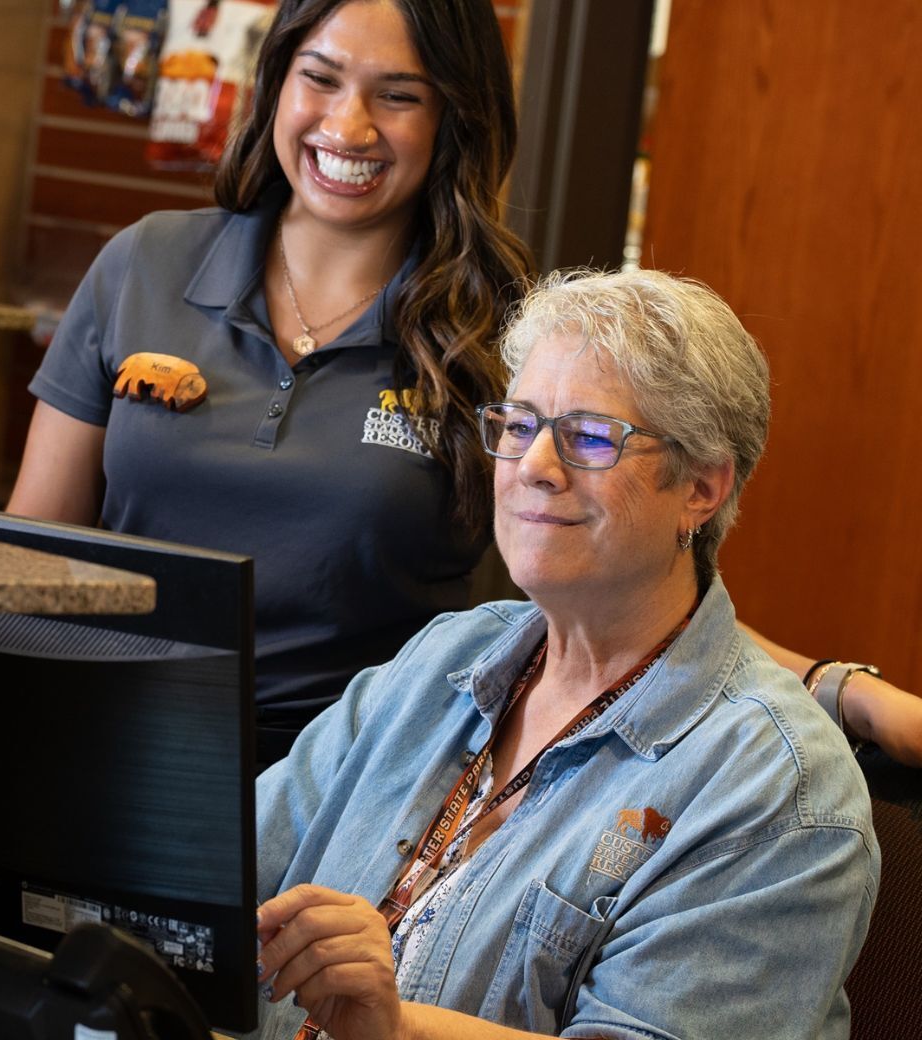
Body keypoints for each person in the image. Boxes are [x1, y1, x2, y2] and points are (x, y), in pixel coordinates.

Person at [9, 0, 920, 765]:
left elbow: (625, 575)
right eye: (320, 78)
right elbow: (25, 563)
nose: (348, 127)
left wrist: (838, 691)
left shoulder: (511, 333)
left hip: (358, 777)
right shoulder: (144, 264)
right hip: (106, 738)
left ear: (453, 117)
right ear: (277, 80)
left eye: (397, 96)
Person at [249, 269, 876, 1040]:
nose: (535, 466)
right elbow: (224, 872)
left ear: (702, 490)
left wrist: (396, 1029)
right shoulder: (446, 657)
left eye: (588, 437)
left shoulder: (775, 784)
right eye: (518, 425)